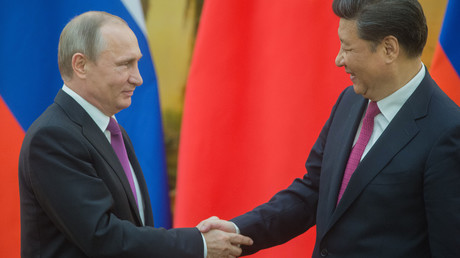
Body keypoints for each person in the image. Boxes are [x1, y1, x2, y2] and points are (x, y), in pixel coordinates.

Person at [198, 0, 460, 257]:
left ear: (389, 49)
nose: (338, 60)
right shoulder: (349, 101)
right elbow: (312, 192)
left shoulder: (447, 131)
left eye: (347, 48)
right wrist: (236, 230)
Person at [18, 11, 252, 258]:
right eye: (124, 64)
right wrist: (200, 244)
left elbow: (132, 228)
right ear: (81, 65)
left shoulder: (110, 130)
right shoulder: (53, 137)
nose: (138, 78)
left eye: (137, 63)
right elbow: (103, 238)